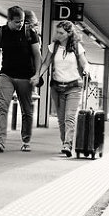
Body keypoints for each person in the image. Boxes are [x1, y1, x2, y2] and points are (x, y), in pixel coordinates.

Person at [0, 6, 41, 153]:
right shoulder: (0, 33)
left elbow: (37, 55)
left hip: (25, 77)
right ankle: (0, 142)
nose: (21, 24)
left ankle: (26, 140)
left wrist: (37, 74)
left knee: (26, 111)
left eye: (23, 21)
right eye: (17, 22)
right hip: (7, 75)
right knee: (2, 107)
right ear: (9, 20)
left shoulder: (31, 33)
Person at [30, 20, 90, 157]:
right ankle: (65, 142)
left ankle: (68, 144)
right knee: (61, 119)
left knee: (69, 117)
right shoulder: (54, 47)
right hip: (57, 87)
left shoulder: (77, 47)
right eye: (57, 32)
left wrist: (87, 70)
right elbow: (46, 63)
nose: (57, 35)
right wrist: (37, 76)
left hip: (74, 86)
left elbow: (85, 63)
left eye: (61, 33)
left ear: (69, 34)